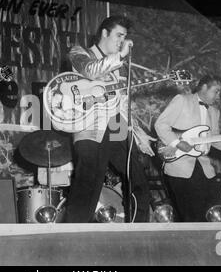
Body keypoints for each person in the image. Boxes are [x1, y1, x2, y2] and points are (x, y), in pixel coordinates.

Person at [64, 15, 155, 223]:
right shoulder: (80, 52)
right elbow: (90, 70)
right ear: (104, 33)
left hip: (115, 123)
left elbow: (122, 103)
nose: (122, 41)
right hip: (90, 122)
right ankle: (73, 236)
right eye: (119, 35)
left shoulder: (120, 68)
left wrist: (138, 134)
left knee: (137, 178)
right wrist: (120, 56)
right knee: (89, 181)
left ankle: (137, 230)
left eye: (124, 36)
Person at [154, 75, 221, 222]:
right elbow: (161, 125)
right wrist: (177, 143)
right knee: (190, 216)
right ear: (203, 88)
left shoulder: (215, 112)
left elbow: (213, 138)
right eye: (216, 91)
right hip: (180, 167)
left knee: (215, 209)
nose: (219, 96)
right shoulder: (182, 100)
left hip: (204, 167)